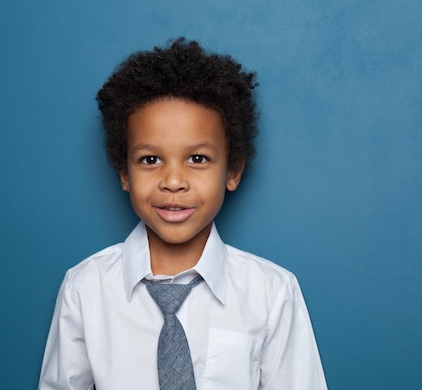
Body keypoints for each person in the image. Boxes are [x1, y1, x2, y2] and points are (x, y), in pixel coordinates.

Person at [38, 38, 327, 390]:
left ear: (233, 171)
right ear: (124, 173)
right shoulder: (85, 289)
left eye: (198, 159)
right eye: (150, 160)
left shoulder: (271, 293)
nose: (173, 181)